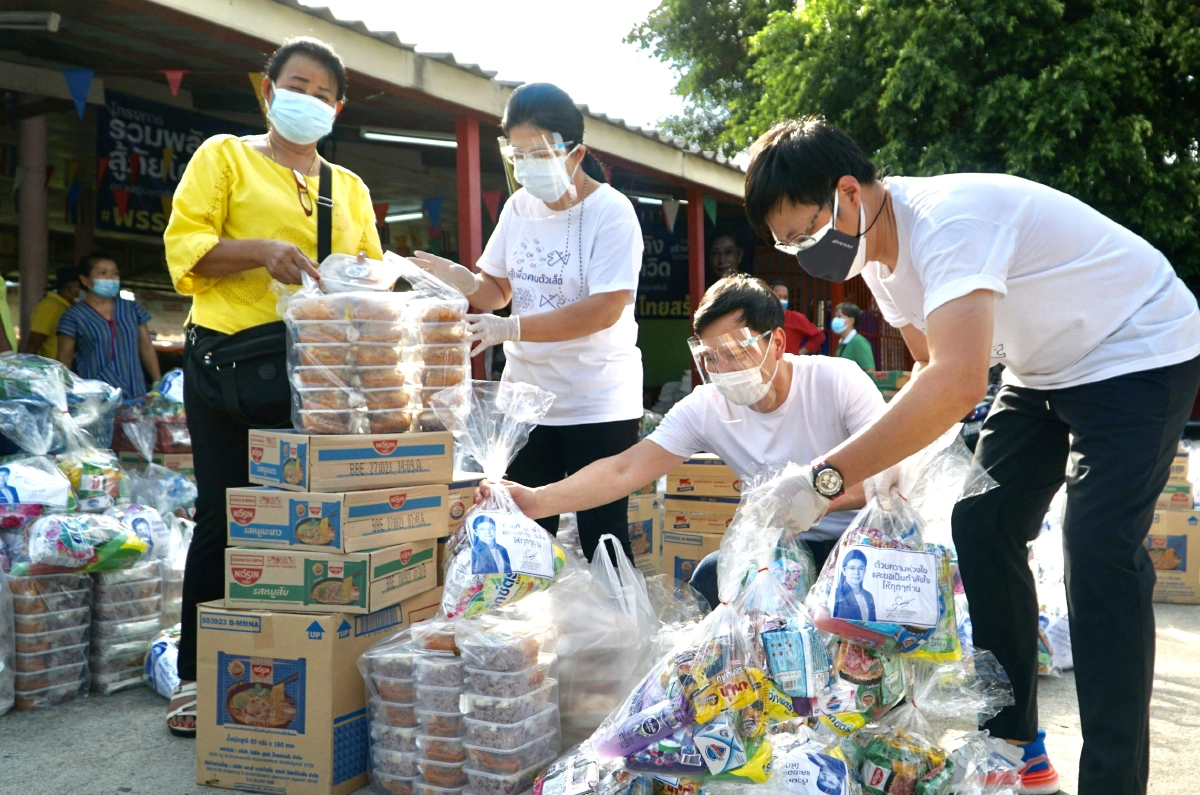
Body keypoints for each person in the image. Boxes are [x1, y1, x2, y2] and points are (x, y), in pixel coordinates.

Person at [743, 117, 1200, 795]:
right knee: (982, 523)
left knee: (1098, 546)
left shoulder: (947, 224)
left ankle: (1114, 782)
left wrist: (827, 476)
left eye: (806, 232)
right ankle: (1018, 746)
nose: (805, 254)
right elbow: (931, 368)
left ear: (847, 192)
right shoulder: (878, 256)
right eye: (789, 245)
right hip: (1041, 370)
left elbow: (957, 385)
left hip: (1136, 347)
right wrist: (892, 478)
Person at [163, 36, 382, 737]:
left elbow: (373, 280)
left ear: (338, 108)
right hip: (230, 369)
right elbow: (185, 251)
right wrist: (261, 252)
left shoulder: (350, 189)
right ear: (267, 90)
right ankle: (201, 678)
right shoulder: (223, 157)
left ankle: (300, 672)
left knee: (317, 529)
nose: (309, 99)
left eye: (324, 93)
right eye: (297, 85)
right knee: (225, 516)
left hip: (321, 379)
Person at [476, 275, 887, 608]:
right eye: (711, 357)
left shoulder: (838, 381)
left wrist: (811, 495)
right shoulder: (707, 407)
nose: (723, 368)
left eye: (736, 352)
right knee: (711, 579)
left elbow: (888, 474)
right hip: (781, 550)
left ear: (776, 342)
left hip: (863, 541)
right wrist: (538, 499)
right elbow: (625, 469)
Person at [410, 83, 643, 565]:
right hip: (528, 400)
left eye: (538, 153)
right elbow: (495, 290)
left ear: (575, 152)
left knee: (604, 534)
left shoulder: (612, 213)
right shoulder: (518, 208)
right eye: (517, 154)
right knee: (524, 530)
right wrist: (460, 279)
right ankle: (527, 635)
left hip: (596, 401)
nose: (526, 165)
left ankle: (621, 635)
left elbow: (604, 309)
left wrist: (510, 329)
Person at [56, 252, 161, 398]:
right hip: (94, 395)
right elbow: (64, 357)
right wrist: (63, 391)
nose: (111, 278)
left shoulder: (131, 308)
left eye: (115, 273)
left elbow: (146, 346)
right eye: (103, 273)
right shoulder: (74, 315)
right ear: (85, 280)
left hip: (135, 390)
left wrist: (157, 381)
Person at [22, 267, 81, 359]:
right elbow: (35, 340)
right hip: (54, 367)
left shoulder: (65, 307)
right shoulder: (50, 306)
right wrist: (26, 365)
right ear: (70, 288)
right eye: (81, 288)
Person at [770, 280, 825, 355]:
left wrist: (800, 352)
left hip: (789, 364)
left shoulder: (796, 318)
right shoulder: (760, 317)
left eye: (785, 297)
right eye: (778, 296)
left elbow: (819, 337)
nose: (782, 300)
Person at [832, 548, 875, 621]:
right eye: (852, 568)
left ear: (865, 570)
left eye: (860, 568)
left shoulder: (868, 596)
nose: (856, 572)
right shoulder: (837, 594)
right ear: (844, 571)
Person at [831, 301, 875, 371]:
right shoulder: (842, 343)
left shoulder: (859, 342)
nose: (835, 319)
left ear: (851, 320)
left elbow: (870, 370)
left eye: (839, 316)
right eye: (835, 316)